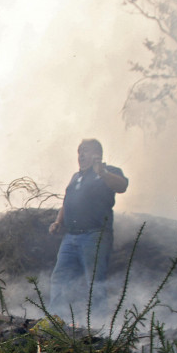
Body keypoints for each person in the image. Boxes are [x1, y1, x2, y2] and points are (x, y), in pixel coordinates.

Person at [48, 138, 129, 324]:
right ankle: (56, 323)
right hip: (70, 237)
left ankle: (98, 325)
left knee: (95, 282)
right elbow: (67, 202)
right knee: (60, 278)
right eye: (79, 152)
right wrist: (58, 221)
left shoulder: (109, 172)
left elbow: (122, 186)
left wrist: (102, 172)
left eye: (86, 151)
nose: (81, 155)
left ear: (97, 154)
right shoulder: (76, 177)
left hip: (94, 236)